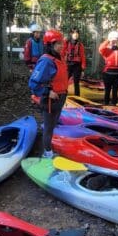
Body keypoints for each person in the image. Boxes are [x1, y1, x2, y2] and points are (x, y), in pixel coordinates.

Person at [29, 29, 68, 158]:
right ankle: (47, 152)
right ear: (50, 45)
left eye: (61, 43)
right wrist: (47, 92)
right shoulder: (46, 61)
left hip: (60, 99)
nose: (61, 45)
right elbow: (33, 84)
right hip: (50, 101)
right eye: (58, 43)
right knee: (49, 128)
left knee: (53, 125)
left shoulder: (59, 57)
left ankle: (48, 146)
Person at [99, 31, 118, 105]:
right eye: (113, 41)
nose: (115, 43)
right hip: (107, 74)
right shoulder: (106, 50)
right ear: (110, 41)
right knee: (107, 90)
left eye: (116, 41)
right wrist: (108, 40)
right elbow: (100, 48)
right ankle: (106, 104)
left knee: (115, 91)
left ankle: (114, 105)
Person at [63, 28, 86, 97]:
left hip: (77, 66)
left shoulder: (80, 45)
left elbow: (83, 57)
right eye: (74, 33)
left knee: (76, 82)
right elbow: (62, 52)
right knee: (65, 81)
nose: (75, 34)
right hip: (68, 65)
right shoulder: (66, 43)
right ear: (71, 34)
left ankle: (77, 98)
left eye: (77, 33)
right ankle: (63, 95)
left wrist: (82, 69)